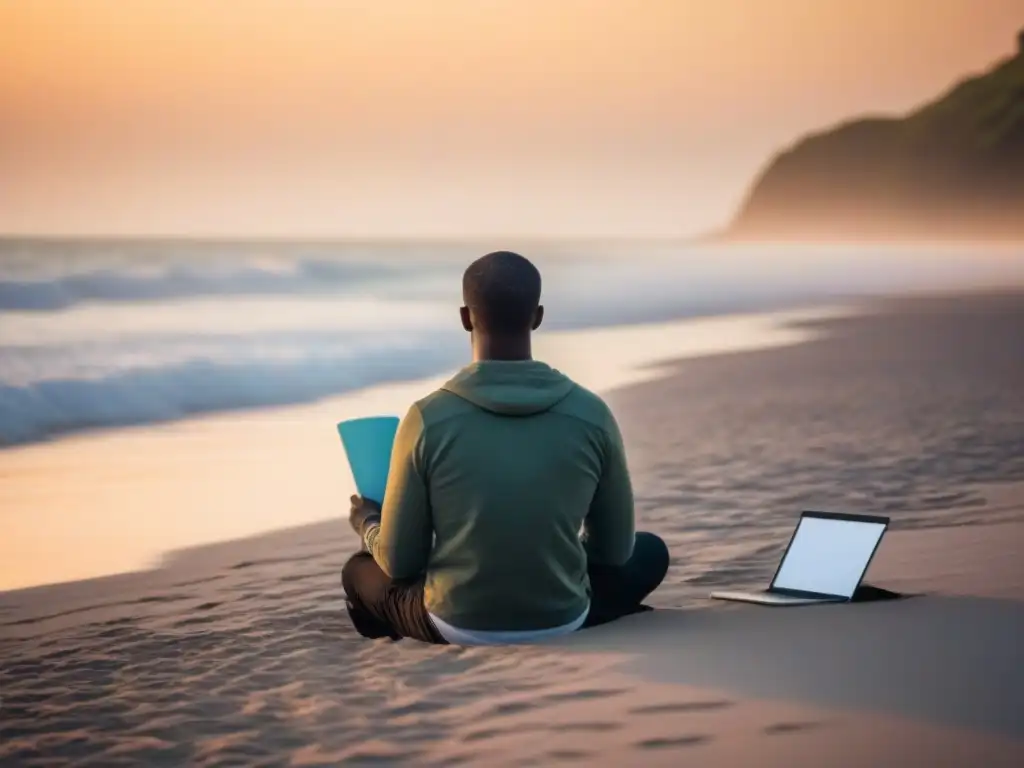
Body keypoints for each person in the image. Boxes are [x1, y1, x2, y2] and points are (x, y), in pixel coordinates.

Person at [342, 250, 669, 645]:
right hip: (565, 616)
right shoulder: (592, 414)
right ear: (538, 316)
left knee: (360, 569)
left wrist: (368, 523)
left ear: (465, 318)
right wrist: (552, 553)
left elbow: (401, 562)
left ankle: (390, 626)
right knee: (650, 552)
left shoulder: (427, 418)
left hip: (455, 623)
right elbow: (614, 553)